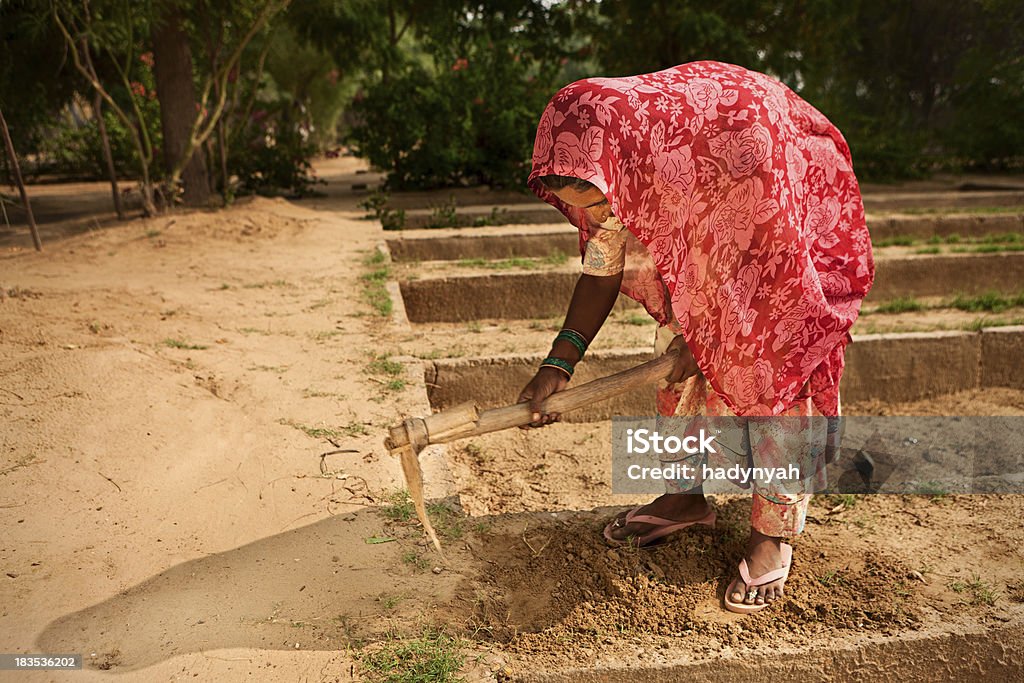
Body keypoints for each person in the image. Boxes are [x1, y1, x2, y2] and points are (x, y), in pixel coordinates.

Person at [516, 61, 874, 613]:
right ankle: (686, 498)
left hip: (769, 213)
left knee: (770, 360)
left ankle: (772, 532)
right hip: (710, 232)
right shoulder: (615, 161)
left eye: (605, 204)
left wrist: (710, 333)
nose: (604, 216)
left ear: (622, 167)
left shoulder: (728, 137)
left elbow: (761, 260)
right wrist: (556, 366)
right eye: (590, 210)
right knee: (678, 365)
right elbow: (601, 267)